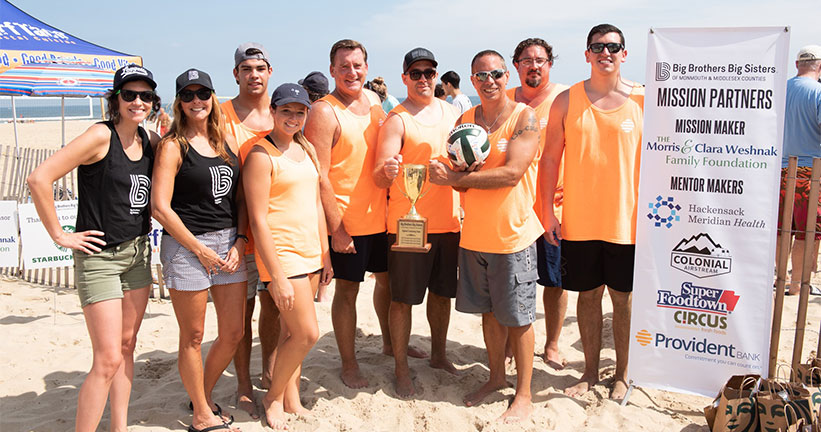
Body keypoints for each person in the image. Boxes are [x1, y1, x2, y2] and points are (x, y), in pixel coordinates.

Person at [27, 64, 160, 432]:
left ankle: (119, 427)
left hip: (137, 254)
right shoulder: (100, 136)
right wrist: (61, 235)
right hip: (100, 258)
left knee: (127, 346)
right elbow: (39, 179)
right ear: (115, 99)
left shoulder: (149, 140)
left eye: (145, 95)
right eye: (129, 94)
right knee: (106, 358)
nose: (138, 101)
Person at [429, 50, 542, 422]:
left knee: (519, 317)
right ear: (472, 80)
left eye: (495, 74)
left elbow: (512, 174)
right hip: (474, 235)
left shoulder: (524, 118)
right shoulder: (464, 120)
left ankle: (523, 393)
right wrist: (447, 174)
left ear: (506, 76)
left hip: (513, 237)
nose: (489, 81)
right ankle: (496, 377)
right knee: (489, 314)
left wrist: (455, 179)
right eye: (481, 76)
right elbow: (462, 185)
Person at [305, 39, 423, 389]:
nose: (351, 72)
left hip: (383, 217)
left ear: (367, 68)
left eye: (357, 65)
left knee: (386, 282)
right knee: (347, 290)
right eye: (344, 66)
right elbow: (320, 175)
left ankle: (389, 343)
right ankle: (349, 362)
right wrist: (337, 229)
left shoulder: (374, 103)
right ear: (332, 71)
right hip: (348, 221)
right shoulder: (324, 112)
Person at [541, 23, 644, 401]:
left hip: (627, 221)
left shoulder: (644, 99)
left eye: (613, 47)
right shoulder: (566, 100)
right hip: (580, 221)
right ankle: (588, 371)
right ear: (586, 54)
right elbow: (550, 160)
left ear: (624, 54)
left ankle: (622, 373)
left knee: (623, 299)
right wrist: (547, 212)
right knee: (587, 296)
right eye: (598, 47)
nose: (606, 53)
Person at [152, 68, 247, 432]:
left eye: (203, 94)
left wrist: (240, 240)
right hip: (186, 247)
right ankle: (202, 416)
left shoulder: (225, 141)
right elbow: (161, 208)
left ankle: (201, 397)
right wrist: (198, 249)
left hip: (228, 245)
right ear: (179, 102)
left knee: (234, 332)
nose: (197, 101)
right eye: (188, 95)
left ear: (212, 97)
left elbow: (238, 199)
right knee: (192, 336)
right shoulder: (173, 145)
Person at [244, 83, 333, 430]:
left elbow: (315, 203)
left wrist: (325, 253)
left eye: (300, 112)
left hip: (310, 252)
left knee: (289, 335)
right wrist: (277, 276)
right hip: (282, 255)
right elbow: (258, 220)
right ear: (273, 112)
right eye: (286, 111)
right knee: (307, 334)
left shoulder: (305, 148)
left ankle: (291, 400)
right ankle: (272, 396)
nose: (293, 117)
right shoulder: (261, 155)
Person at [373, 47, 461, 397]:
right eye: (416, 73)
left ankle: (438, 356)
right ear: (405, 77)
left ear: (436, 76)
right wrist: (388, 170)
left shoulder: (453, 112)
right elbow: (380, 176)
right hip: (409, 224)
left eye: (429, 72)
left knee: (442, 295)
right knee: (404, 298)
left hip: (449, 221)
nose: (423, 79)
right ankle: (401, 367)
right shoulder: (396, 119)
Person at [507, 38, 569, 370]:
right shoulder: (503, 100)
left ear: (550, 64)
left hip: (552, 207)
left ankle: (553, 343)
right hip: (512, 210)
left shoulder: (565, 98)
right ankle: (509, 341)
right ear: (515, 65)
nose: (534, 66)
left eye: (541, 60)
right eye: (527, 60)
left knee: (554, 281)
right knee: (511, 280)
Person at [221, 42, 276, 418]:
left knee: (273, 306)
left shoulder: (283, 112)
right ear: (236, 74)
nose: (253, 74)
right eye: (246, 68)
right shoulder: (220, 114)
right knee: (240, 314)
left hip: (275, 230)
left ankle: (270, 373)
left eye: (260, 68)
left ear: (269, 72)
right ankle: (243, 385)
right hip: (233, 230)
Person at [778, 45, 821, 295]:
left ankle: (779, 279)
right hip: (809, 171)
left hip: (777, 169)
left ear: (797, 65)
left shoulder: (780, 89)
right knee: (807, 231)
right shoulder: (817, 92)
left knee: (781, 229)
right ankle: (796, 285)